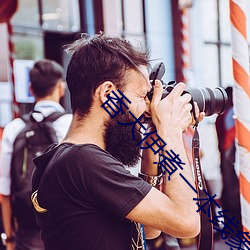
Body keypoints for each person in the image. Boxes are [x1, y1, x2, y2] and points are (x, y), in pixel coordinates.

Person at [31, 33, 202, 250]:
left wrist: (153, 145)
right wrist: (172, 131)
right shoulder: (83, 162)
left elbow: (149, 229)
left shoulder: (66, 158)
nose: (148, 108)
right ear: (108, 94)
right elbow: (187, 221)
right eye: (142, 96)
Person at [0, 59, 72, 250]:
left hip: (27, 232)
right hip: (67, 230)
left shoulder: (14, 128)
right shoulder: (71, 124)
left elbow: (5, 191)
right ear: (60, 88)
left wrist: (9, 239)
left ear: (31, 89)